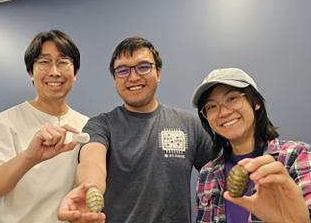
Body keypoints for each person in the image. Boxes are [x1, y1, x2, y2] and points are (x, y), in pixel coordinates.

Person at [58, 37, 213, 223]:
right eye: (123, 70)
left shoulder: (190, 124)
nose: (133, 77)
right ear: (115, 78)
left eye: (143, 67)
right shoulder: (101, 124)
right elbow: (92, 163)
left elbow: (220, 171)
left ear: (158, 72)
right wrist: (88, 189)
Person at [0, 30, 100, 223]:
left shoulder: (88, 126)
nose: (54, 72)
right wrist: (29, 157)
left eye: (63, 62)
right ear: (31, 73)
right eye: (44, 62)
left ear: (75, 73)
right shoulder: (5, 122)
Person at [191, 67, 311, 222]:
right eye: (211, 106)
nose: (223, 112)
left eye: (232, 98)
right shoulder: (208, 173)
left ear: (256, 102)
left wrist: (306, 220)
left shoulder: (297, 156)